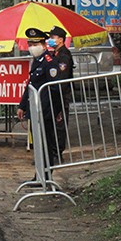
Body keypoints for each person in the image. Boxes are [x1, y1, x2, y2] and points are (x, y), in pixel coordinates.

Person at [17, 27, 62, 172]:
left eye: (35, 44)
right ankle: (39, 175)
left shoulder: (49, 62)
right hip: (35, 109)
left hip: (46, 110)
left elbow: (55, 89)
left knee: (46, 143)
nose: (32, 47)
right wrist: (22, 106)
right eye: (30, 44)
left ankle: (47, 175)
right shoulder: (37, 61)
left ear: (43, 45)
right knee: (37, 143)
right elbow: (31, 84)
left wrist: (57, 110)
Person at [48, 25, 73, 158]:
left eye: (53, 37)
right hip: (53, 95)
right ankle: (51, 151)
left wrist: (57, 96)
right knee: (52, 124)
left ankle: (57, 152)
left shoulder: (64, 55)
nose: (50, 40)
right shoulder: (54, 54)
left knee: (59, 124)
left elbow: (61, 78)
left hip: (61, 95)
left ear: (61, 40)